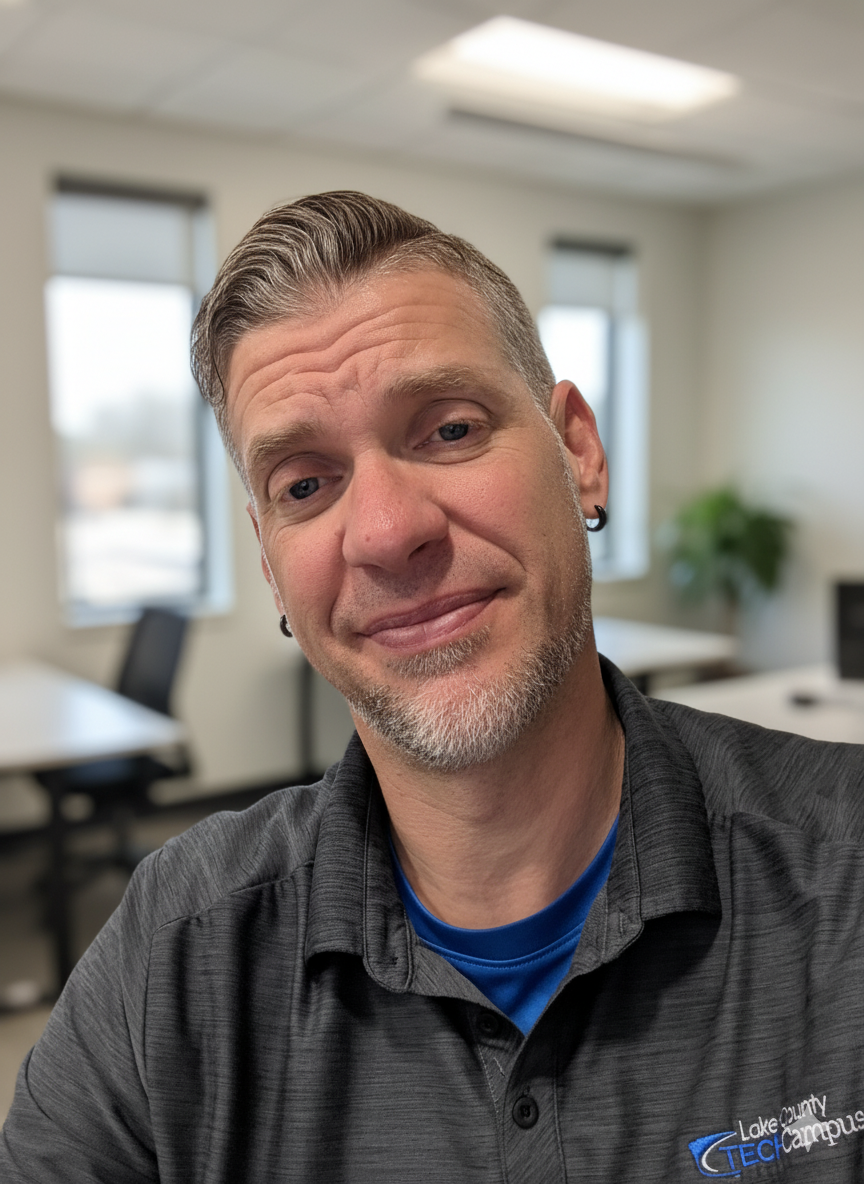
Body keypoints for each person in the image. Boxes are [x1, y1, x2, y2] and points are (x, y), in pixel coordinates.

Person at [2, 192, 863, 1183]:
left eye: (449, 429)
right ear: (271, 561)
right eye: (305, 484)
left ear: (578, 451)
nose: (385, 531)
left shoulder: (844, 875)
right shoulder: (177, 953)